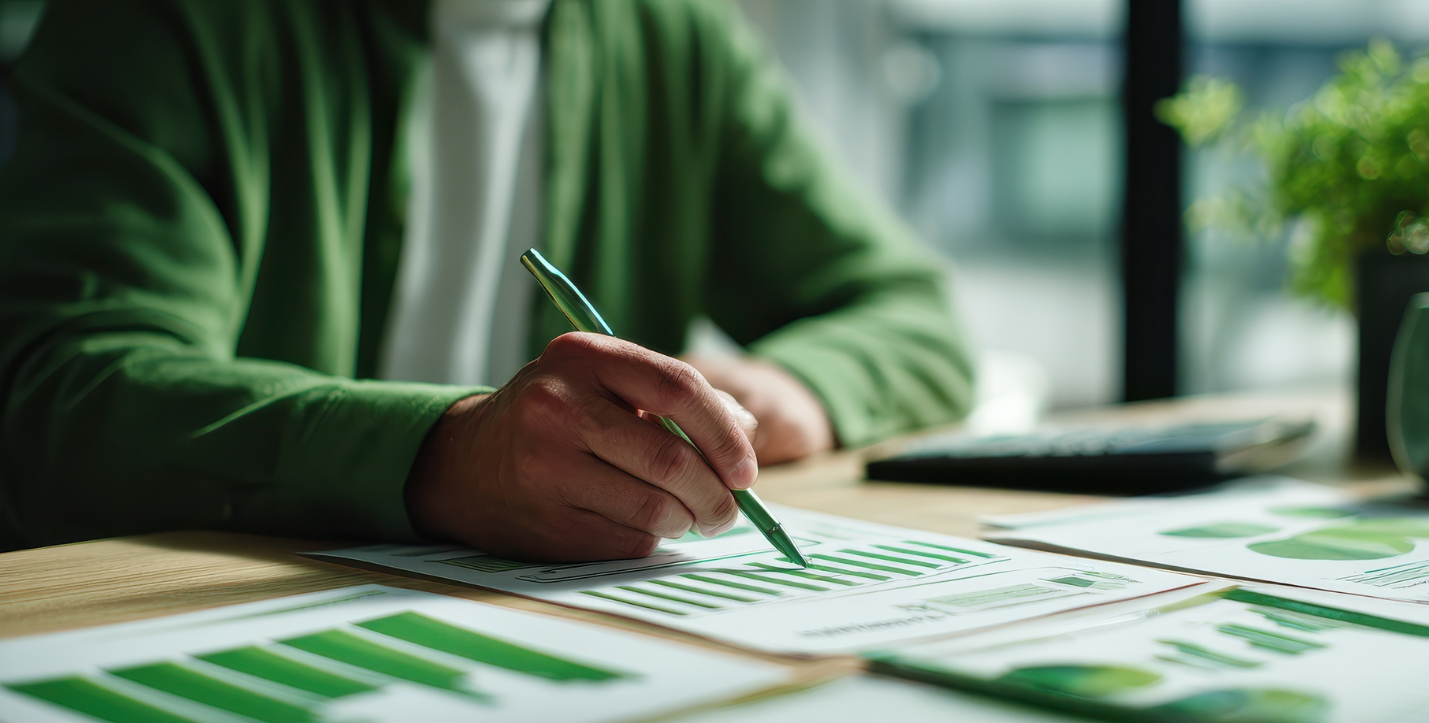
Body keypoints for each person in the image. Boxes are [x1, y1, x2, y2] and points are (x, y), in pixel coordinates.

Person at [0, 0, 973, 559]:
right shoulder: (166, 23)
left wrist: (786, 394)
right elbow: (57, 394)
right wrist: (443, 453)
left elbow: (910, 316)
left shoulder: (673, 35)